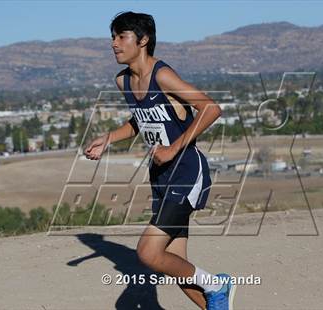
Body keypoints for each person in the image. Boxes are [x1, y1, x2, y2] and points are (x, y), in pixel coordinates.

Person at [84, 11, 236, 310]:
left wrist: (172, 149)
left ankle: (219, 284)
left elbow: (211, 109)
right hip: (161, 178)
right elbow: (140, 120)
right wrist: (108, 138)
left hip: (186, 172)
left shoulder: (162, 75)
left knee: (148, 254)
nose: (114, 44)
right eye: (112, 37)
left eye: (121, 36)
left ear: (143, 40)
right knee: (176, 266)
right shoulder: (123, 81)